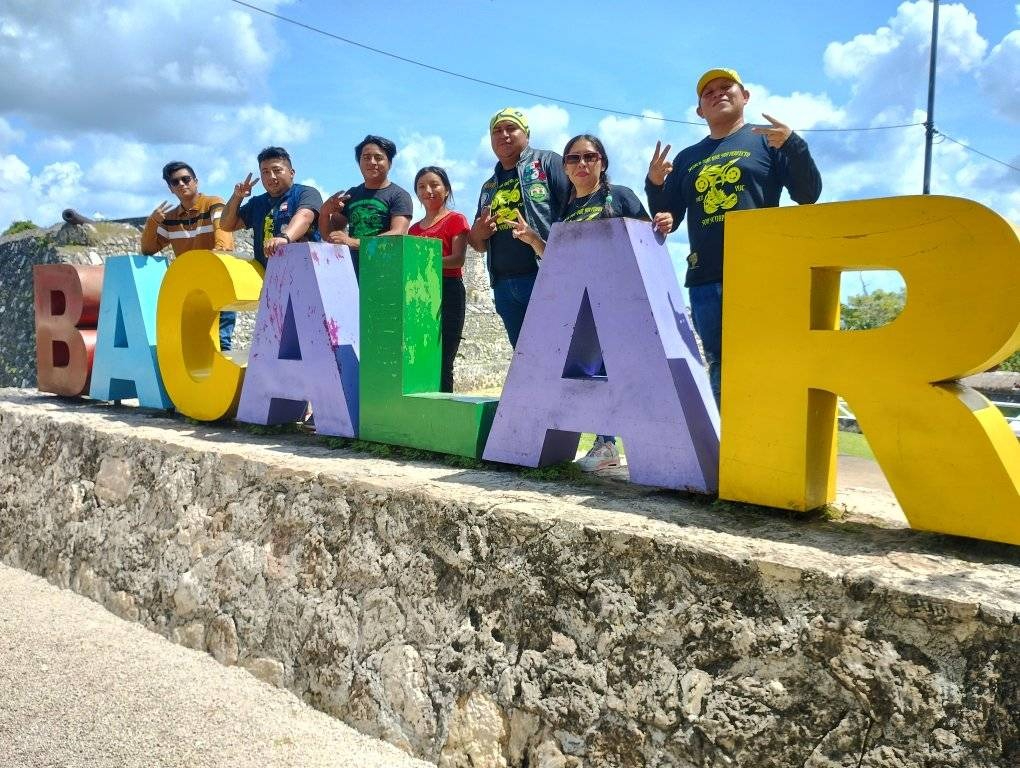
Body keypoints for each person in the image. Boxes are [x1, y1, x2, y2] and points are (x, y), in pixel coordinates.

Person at [645, 68, 822, 403]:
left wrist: (795, 146)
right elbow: (669, 217)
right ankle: (729, 450)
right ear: (699, 110)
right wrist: (654, 183)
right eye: (707, 92)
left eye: (726, 87)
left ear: (745, 97)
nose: (717, 94)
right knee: (720, 363)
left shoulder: (768, 142)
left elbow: (808, 194)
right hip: (704, 278)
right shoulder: (687, 158)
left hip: (758, 272)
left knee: (765, 357)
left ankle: (766, 444)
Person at [511, 134, 673, 472]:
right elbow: (558, 258)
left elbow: (648, 238)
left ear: (602, 161)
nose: (582, 164)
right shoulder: (566, 210)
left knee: (615, 372)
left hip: (617, 299)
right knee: (591, 374)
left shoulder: (621, 196)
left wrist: (662, 224)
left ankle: (621, 445)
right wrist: (533, 240)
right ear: (566, 167)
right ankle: (605, 444)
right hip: (579, 305)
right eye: (573, 159)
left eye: (589, 157)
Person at [468, 108, 570, 347]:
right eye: (497, 131)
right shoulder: (489, 186)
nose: (504, 135)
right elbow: (477, 243)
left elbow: (572, 210)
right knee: (525, 359)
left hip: (543, 275)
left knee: (558, 350)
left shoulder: (547, 163)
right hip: (503, 285)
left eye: (511, 128)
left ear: (527, 134)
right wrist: (479, 234)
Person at [141, 161, 236, 349]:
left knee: (221, 340)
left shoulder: (213, 203)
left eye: (186, 179)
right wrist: (152, 222)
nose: (182, 184)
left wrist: (219, 249)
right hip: (191, 289)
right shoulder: (171, 218)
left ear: (196, 181)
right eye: (175, 182)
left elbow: (222, 232)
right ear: (171, 189)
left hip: (219, 280)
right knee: (194, 342)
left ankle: (225, 379)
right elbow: (148, 249)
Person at [408, 166, 470, 393]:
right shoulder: (413, 230)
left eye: (434, 184)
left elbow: (457, 260)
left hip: (449, 292)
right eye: (422, 186)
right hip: (420, 296)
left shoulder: (456, 219)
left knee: (444, 359)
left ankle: (445, 415)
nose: (428, 190)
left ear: (446, 189)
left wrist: (425, 262)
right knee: (423, 356)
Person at [319, 135, 412, 276]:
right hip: (352, 271)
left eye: (378, 158)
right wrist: (325, 213)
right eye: (366, 157)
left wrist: (353, 242)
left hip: (386, 272)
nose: (372, 162)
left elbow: (398, 233)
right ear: (359, 162)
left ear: (390, 163)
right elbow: (330, 236)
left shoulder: (399, 195)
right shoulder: (352, 194)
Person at [220, 146, 322, 269]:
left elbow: (305, 216)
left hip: (304, 272)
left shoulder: (306, 193)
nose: (271, 176)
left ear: (291, 173)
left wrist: (284, 237)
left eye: (277, 170)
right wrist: (237, 196)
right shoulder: (257, 203)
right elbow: (226, 225)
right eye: (265, 172)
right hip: (267, 278)